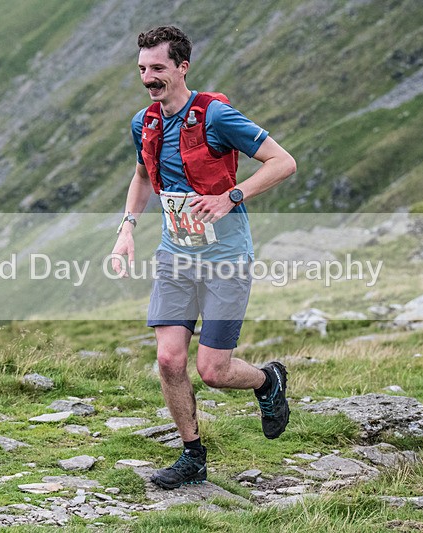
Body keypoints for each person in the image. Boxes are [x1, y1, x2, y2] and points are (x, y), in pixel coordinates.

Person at [110, 26, 297, 490]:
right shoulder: (145, 123)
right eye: (142, 70)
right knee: (170, 360)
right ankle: (193, 455)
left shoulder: (216, 116)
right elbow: (141, 178)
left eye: (157, 69)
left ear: (181, 67)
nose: (148, 78)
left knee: (212, 370)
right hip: (176, 256)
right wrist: (127, 229)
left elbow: (283, 162)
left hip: (225, 257)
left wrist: (231, 195)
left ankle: (266, 381)